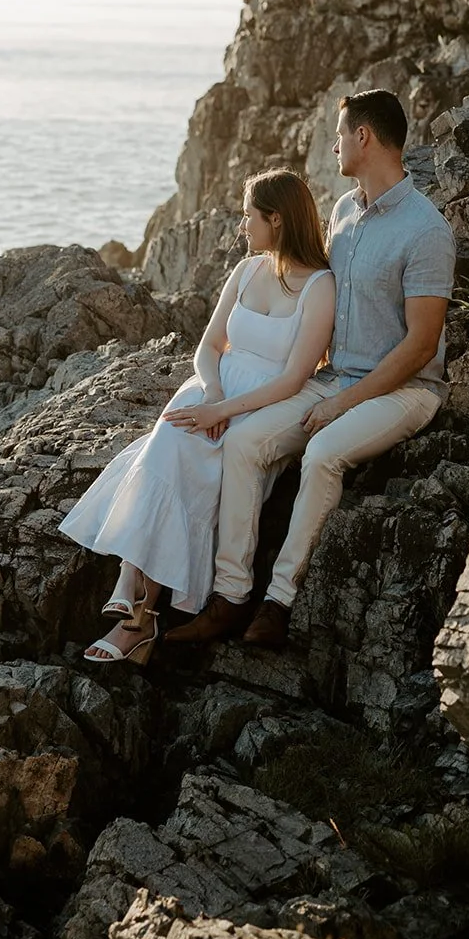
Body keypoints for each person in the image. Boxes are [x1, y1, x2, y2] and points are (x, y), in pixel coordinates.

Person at [168, 88, 457, 652]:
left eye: (340, 133)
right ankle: (230, 596)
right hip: (333, 377)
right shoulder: (345, 211)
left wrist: (339, 405)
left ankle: (278, 601)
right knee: (244, 442)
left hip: (405, 390)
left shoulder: (427, 231)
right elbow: (312, 294)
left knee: (323, 454)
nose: (333, 144)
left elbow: (421, 346)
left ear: (364, 137)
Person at [58, 169, 335, 665]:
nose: (242, 225)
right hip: (215, 386)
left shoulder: (320, 286)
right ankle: (135, 602)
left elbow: (295, 377)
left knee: (190, 471)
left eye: (249, 215)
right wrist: (209, 392)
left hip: (263, 402)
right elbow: (209, 346)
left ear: (276, 218)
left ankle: (135, 617)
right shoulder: (247, 270)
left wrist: (223, 411)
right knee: (166, 447)